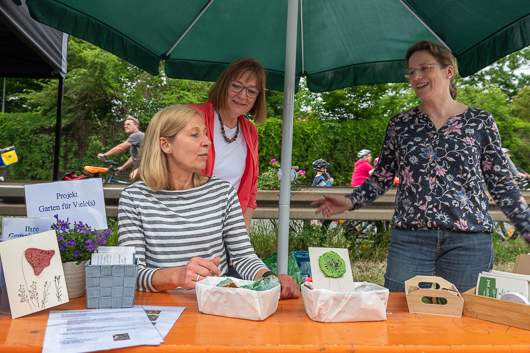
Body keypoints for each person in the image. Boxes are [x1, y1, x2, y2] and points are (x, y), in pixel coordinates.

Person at [311, 40, 530, 293]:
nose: (416, 76)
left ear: (448, 72)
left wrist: (526, 226)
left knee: (465, 324)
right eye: (411, 71)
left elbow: (501, 183)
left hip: (469, 239)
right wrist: (350, 202)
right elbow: (382, 176)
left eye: (424, 68)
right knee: (400, 320)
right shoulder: (400, 125)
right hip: (410, 239)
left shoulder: (480, 122)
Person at [117, 105, 299, 299]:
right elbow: (131, 273)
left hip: (215, 306)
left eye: (205, 133)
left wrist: (271, 280)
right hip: (159, 312)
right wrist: (177, 275)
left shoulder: (222, 192)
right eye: (195, 135)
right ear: (165, 145)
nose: (207, 142)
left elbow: (243, 257)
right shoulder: (133, 198)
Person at [189, 58, 266, 234]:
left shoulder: (250, 131)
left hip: (228, 229)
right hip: (189, 227)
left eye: (251, 91)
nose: (242, 96)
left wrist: (242, 239)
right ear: (224, 85)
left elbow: (250, 190)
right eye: (236, 86)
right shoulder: (192, 115)